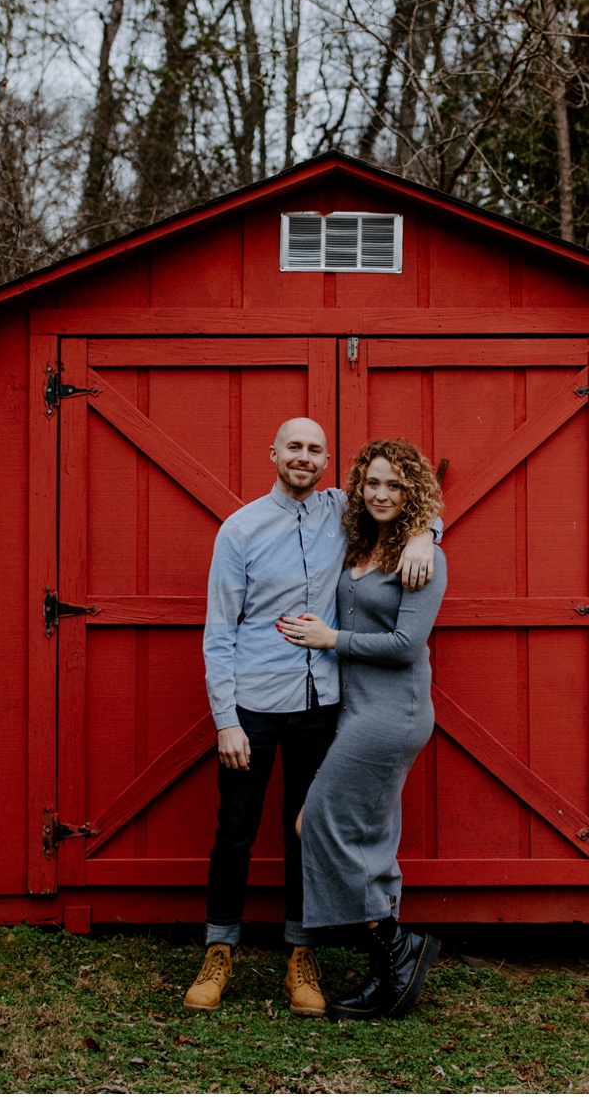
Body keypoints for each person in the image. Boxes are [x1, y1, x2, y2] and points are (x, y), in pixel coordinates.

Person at [185, 418, 438, 1016]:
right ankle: (219, 951)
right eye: (294, 447)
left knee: (306, 830)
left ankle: (301, 953)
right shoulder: (240, 529)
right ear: (273, 453)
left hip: (323, 705)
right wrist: (225, 719)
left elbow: (403, 502)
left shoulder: (341, 513)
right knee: (235, 831)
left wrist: (426, 535)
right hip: (253, 705)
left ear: (328, 463)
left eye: (315, 450)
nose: (303, 457)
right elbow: (219, 630)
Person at [277, 438, 447, 1020]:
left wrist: (332, 640)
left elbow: (406, 645)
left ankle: (397, 949)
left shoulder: (422, 558)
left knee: (314, 823)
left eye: (395, 486)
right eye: (373, 483)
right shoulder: (362, 540)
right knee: (364, 834)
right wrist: (426, 527)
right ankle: (393, 961)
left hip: (392, 714)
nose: (380, 494)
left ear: (411, 492)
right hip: (356, 709)